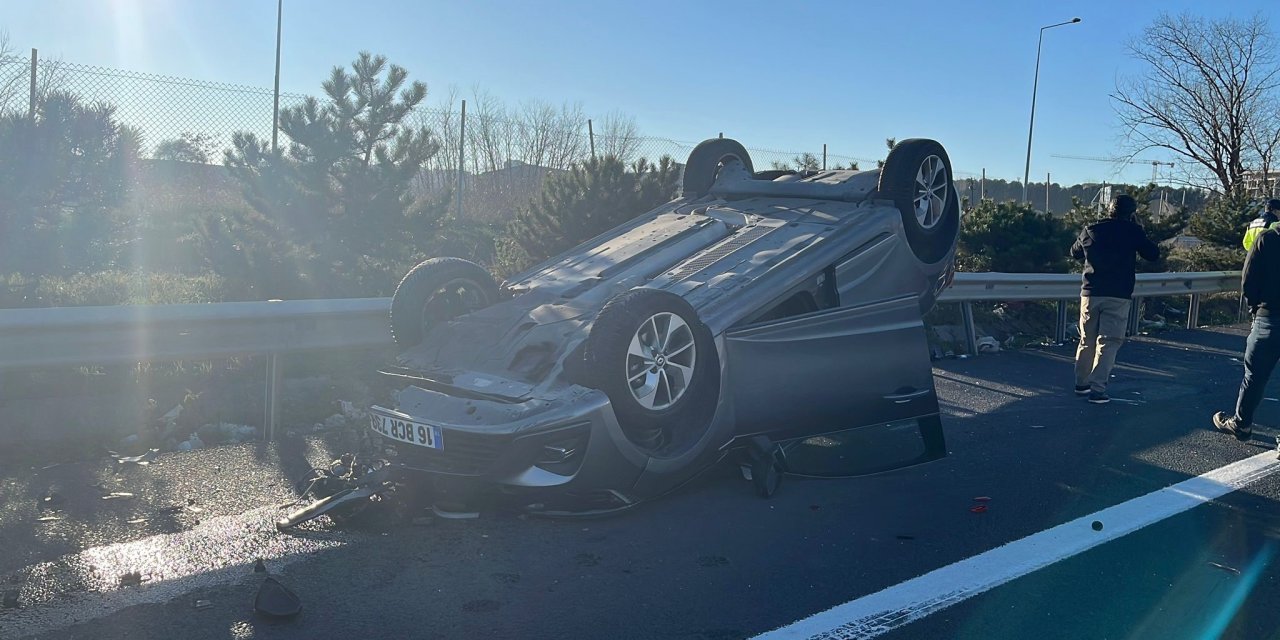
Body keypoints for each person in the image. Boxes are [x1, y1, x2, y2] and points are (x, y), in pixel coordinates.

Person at [1071, 194, 1160, 404]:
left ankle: (1080, 383)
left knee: (1087, 340)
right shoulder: (1133, 232)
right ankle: (1098, 389)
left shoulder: (1091, 229)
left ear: (1109, 210)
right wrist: (1140, 230)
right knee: (1108, 343)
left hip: (1091, 293)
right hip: (1118, 294)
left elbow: (1074, 252)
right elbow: (1153, 254)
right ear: (1131, 213)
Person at [1214, 221, 1280, 454]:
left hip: (1269, 317)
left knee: (1255, 375)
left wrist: (1255, 310)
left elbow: (1249, 280)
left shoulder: (1267, 239)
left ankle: (1242, 424)